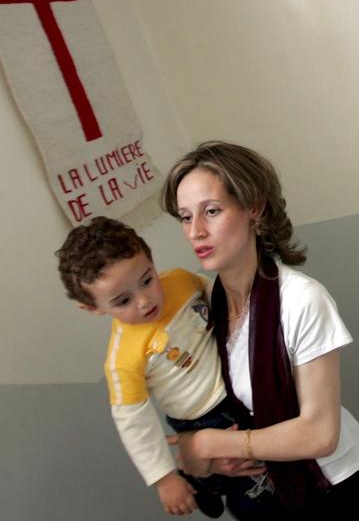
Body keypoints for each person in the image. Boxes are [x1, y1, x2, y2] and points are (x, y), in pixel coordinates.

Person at [161, 141, 359, 520]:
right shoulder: (205, 305)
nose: (195, 232)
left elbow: (320, 434)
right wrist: (216, 458)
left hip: (337, 487)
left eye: (212, 211)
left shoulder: (301, 299)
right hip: (270, 491)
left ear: (254, 207)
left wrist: (207, 442)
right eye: (186, 217)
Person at [55, 217, 266, 518]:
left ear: (151, 260)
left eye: (147, 279)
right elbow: (134, 423)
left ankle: (205, 481)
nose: (144, 300)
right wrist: (164, 479)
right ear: (94, 308)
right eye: (123, 300)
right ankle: (208, 484)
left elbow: (225, 305)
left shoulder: (182, 282)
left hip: (239, 385)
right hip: (200, 418)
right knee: (251, 481)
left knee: (275, 453)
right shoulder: (121, 359)